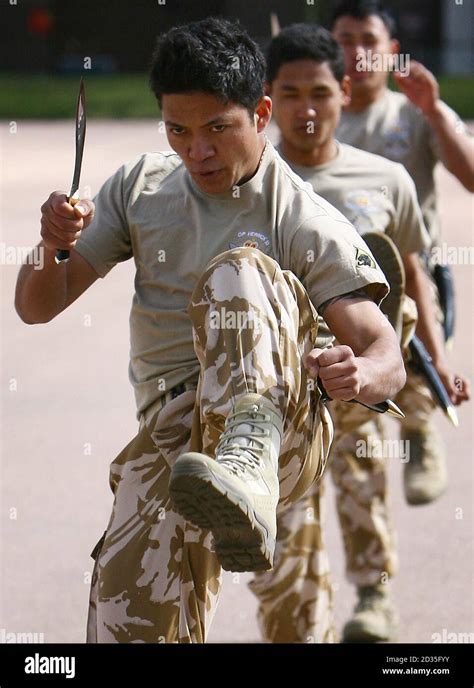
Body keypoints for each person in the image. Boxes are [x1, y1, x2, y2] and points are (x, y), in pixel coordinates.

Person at [14, 17, 406, 644]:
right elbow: (38, 306)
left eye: (217, 129)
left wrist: (360, 373)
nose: (197, 151)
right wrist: (50, 246)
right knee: (127, 622)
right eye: (179, 130)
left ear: (260, 114)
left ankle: (246, 463)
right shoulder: (140, 188)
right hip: (176, 444)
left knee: (239, 273)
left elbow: (386, 350)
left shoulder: (300, 214)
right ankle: (223, 494)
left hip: (281, 436)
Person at [256, 22, 470, 643]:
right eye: (290, 94)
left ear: (345, 92)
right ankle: (298, 621)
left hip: (358, 374)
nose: (306, 109)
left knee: (361, 484)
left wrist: (435, 358)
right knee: (287, 534)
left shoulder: (386, 180)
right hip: (278, 387)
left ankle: (374, 598)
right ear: (267, 98)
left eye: (319, 92)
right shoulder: (250, 185)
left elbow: (412, 277)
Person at [331, 0, 474, 507]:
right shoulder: (316, 122)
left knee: (407, 299)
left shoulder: (412, 112)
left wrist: (435, 111)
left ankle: (420, 430)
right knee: (352, 430)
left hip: (415, 273)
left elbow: (472, 176)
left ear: (390, 53)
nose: (356, 52)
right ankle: (373, 575)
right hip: (338, 282)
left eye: (367, 41)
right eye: (344, 40)